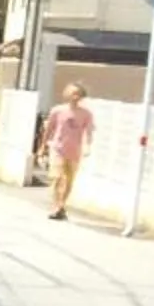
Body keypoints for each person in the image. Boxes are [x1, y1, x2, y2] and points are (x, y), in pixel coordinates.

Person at [41, 82, 95, 219]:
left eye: (78, 93)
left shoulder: (86, 114)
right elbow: (49, 129)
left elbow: (88, 132)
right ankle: (57, 206)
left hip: (74, 151)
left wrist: (88, 146)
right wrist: (42, 147)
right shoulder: (57, 110)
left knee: (69, 180)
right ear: (67, 94)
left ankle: (62, 205)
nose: (75, 96)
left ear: (82, 96)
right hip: (58, 148)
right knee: (57, 178)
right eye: (73, 93)